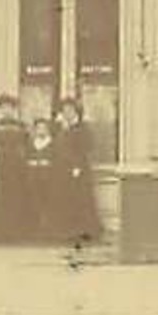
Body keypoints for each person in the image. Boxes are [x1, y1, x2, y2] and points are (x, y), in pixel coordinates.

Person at [0, 92, 32, 243]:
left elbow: (27, 147)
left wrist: (26, 162)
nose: (6, 110)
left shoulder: (21, 127)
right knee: (0, 199)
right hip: (1, 166)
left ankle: (17, 233)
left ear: (14, 109)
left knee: (17, 199)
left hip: (17, 167)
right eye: (3, 108)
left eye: (9, 107)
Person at [52, 98, 103, 249]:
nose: (67, 114)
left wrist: (77, 166)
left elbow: (86, 148)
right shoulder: (63, 130)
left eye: (70, 111)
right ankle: (69, 231)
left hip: (79, 170)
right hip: (64, 171)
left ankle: (86, 231)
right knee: (67, 200)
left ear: (76, 112)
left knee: (82, 200)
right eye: (64, 111)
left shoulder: (83, 129)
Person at [26, 118, 62, 243]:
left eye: (43, 128)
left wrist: (48, 162)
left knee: (48, 203)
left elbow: (57, 160)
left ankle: (49, 230)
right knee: (35, 202)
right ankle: (36, 229)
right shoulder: (31, 143)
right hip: (34, 176)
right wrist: (31, 162)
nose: (41, 131)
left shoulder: (53, 143)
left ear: (47, 130)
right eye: (38, 128)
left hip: (48, 177)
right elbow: (26, 156)